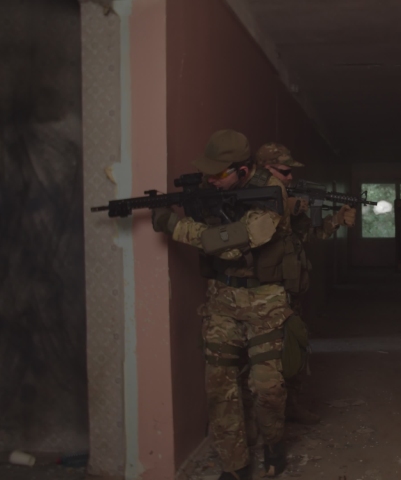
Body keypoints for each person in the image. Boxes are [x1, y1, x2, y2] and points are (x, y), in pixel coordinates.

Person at [150, 130, 294, 480]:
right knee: (219, 386)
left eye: (219, 174)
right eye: (209, 174)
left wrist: (172, 224)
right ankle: (235, 466)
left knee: (266, 388)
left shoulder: (271, 196)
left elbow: (228, 246)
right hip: (221, 299)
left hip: (265, 301)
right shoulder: (211, 185)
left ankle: (274, 443)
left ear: (243, 171)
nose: (212, 181)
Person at [254, 142, 356, 425]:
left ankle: (292, 406)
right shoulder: (253, 198)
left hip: (291, 290)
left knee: (295, 351)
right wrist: (284, 208)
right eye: (284, 171)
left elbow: (309, 235)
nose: (289, 178)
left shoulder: (287, 197)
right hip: (263, 296)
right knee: (267, 366)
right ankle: (267, 421)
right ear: (265, 170)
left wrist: (336, 220)